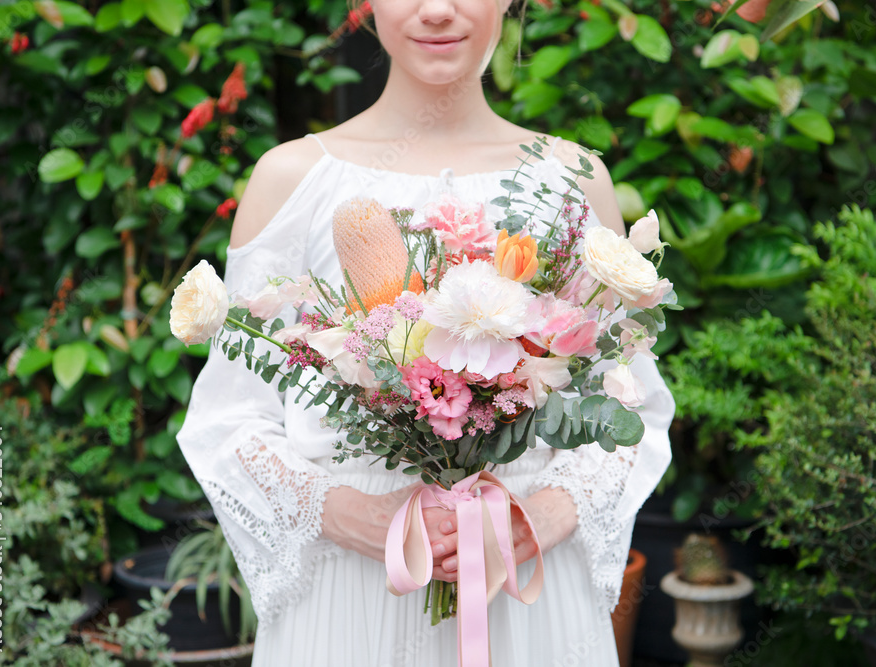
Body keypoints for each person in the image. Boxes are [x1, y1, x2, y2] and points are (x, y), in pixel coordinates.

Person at [175, 0, 675, 664]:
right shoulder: (294, 180)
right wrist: (362, 517)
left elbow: (630, 402)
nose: (437, 10)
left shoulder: (570, 182)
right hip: (353, 593)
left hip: (525, 587)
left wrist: (543, 514)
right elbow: (230, 421)